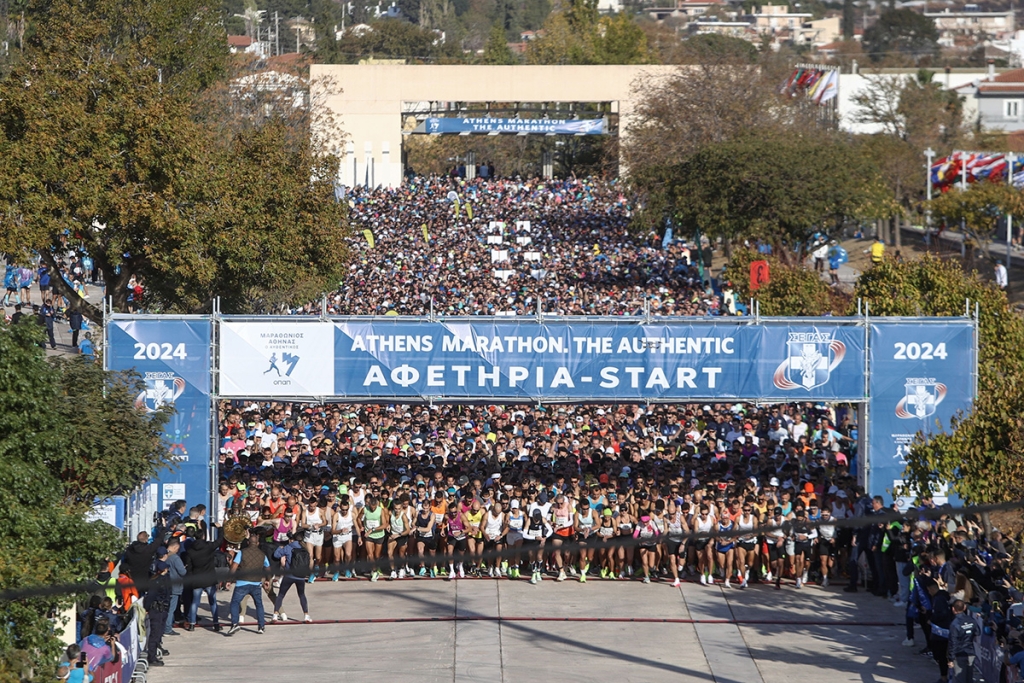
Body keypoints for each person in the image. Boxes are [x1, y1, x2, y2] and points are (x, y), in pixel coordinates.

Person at [227, 534, 269, 635]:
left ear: (248, 543)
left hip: (242, 582)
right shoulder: (262, 554)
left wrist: (229, 580)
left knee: (235, 603)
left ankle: (235, 624)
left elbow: (234, 566)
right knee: (259, 604)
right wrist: (267, 580)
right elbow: (268, 568)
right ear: (258, 543)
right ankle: (261, 626)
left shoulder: (242, 552)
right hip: (256, 583)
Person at [272, 532, 313, 623]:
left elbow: (276, 555)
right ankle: (306, 615)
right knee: (302, 595)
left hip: (289, 575)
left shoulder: (288, 547)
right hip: (301, 576)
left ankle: (275, 615)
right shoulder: (305, 548)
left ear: (292, 539)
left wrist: (280, 547)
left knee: (281, 595)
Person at [142, 559, 171, 667]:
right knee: (154, 634)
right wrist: (146, 609)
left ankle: (156, 651)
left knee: (159, 632)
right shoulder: (156, 581)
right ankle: (152, 657)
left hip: (163, 609)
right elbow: (150, 597)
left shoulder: (165, 579)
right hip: (156, 610)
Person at [947, 599, 976, 683]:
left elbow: (953, 642)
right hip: (971, 653)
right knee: (969, 679)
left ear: (953, 609)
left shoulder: (954, 624)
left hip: (959, 655)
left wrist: (951, 659)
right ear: (965, 607)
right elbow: (977, 632)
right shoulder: (972, 620)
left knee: (960, 679)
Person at [163, 540, 186, 635]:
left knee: (165, 608)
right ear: (175, 547)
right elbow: (183, 572)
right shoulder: (175, 558)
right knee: (171, 609)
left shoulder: (163, 555)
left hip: (164, 585)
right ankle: (167, 628)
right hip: (174, 586)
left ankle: (165, 625)